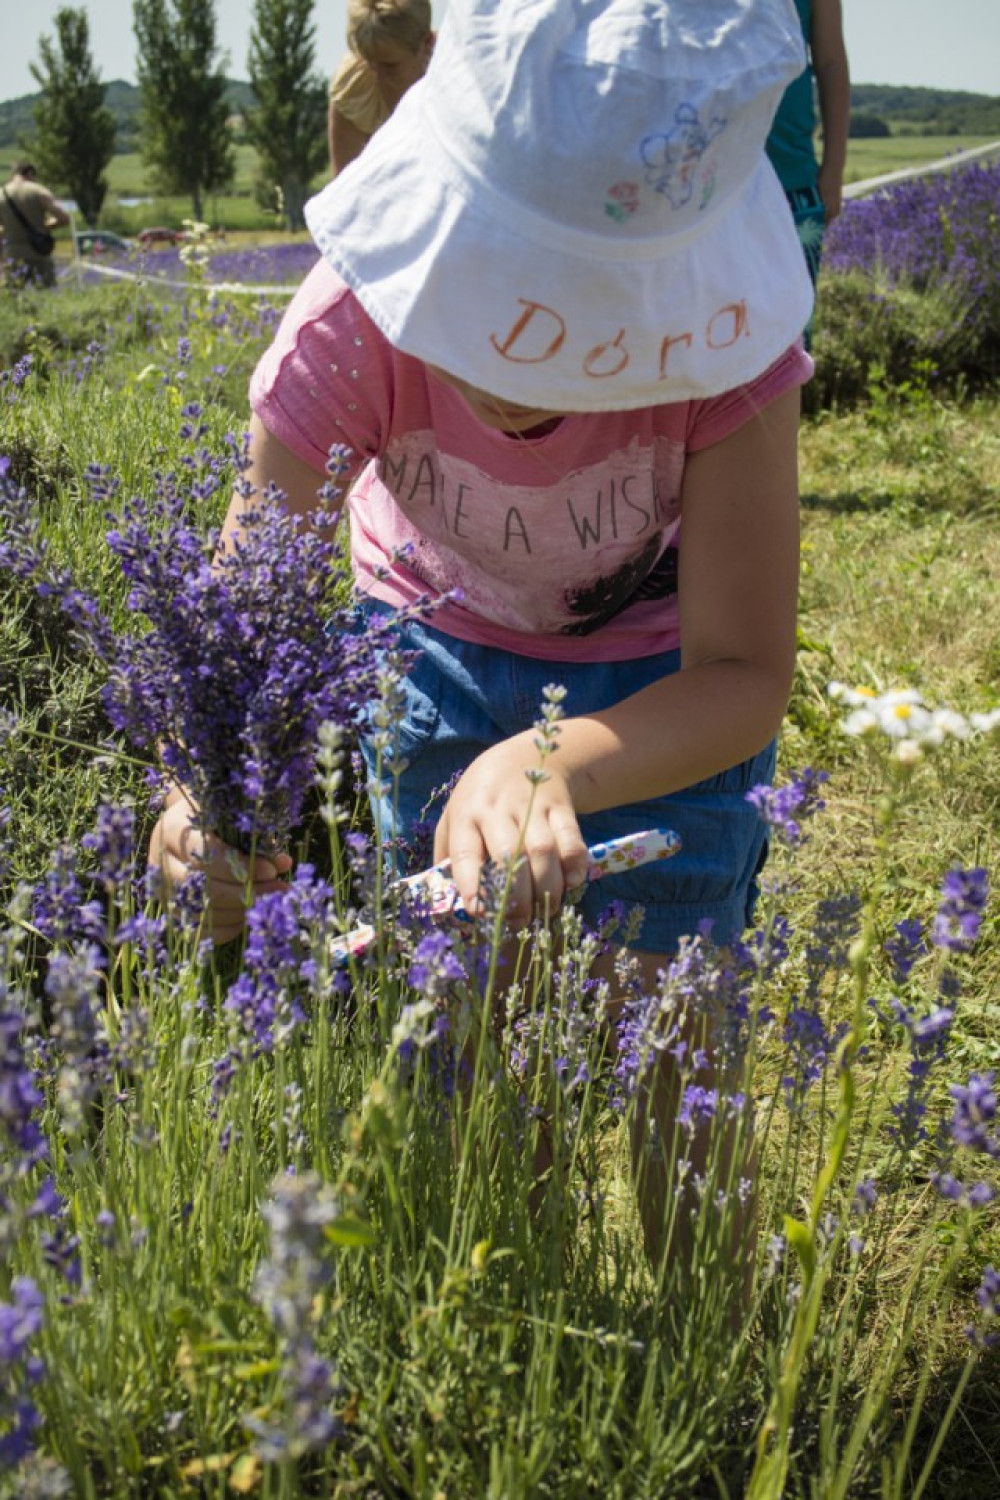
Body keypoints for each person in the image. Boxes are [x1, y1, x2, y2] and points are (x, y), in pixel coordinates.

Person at [152, 0, 814, 1267]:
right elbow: (236, 636)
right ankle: (514, 1293)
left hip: (664, 683)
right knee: (474, 1019)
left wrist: (551, 758)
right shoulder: (345, 333)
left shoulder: (727, 362)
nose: (532, 363)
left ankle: (706, 1338)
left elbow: (743, 673)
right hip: (433, 647)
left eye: (592, 332)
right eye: (500, 307)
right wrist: (196, 796)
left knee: (671, 1016)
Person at [765, 0, 850, 301]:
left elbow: (831, 63)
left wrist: (833, 169)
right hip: (707, 185)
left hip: (793, 180)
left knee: (793, 330)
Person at [327, 0, 435, 176]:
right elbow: (346, 185)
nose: (377, 74)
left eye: (390, 66)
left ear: (427, 43)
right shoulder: (354, 87)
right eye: (370, 61)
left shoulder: (457, 75)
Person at [0, 160, 70, 288]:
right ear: (30, 173)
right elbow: (63, 218)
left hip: (12, 255)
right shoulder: (38, 191)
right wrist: (45, 226)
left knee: (13, 298)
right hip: (39, 253)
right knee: (46, 296)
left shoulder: (1, 194)